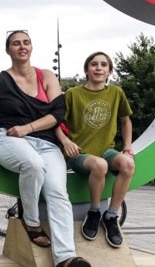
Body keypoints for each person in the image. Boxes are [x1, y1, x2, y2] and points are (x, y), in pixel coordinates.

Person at [0, 29, 90, 267]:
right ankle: (32, 223)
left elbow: (58, 114)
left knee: (58, 193)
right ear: (8, 50)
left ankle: (66, 258)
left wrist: (28, 127)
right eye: (16, 43)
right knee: (34, 165)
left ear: (31, 47)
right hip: (8, 139)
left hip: (45, 143)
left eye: (26, 42)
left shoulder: (46, 76)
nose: (22, 47)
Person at [56, 51, 134, 248]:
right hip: (79, 154)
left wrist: (127, 146)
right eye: (94, 64)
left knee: (127, 164)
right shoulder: (73, 94)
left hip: (107, 150)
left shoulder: (116, 93)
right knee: (99, 165)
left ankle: (111, 216)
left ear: (109, 71)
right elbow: (55, 122)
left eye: (103, 65)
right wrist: (65, 141)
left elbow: (126, 120)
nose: (98, 68)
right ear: (86, 70)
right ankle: (94, 211)